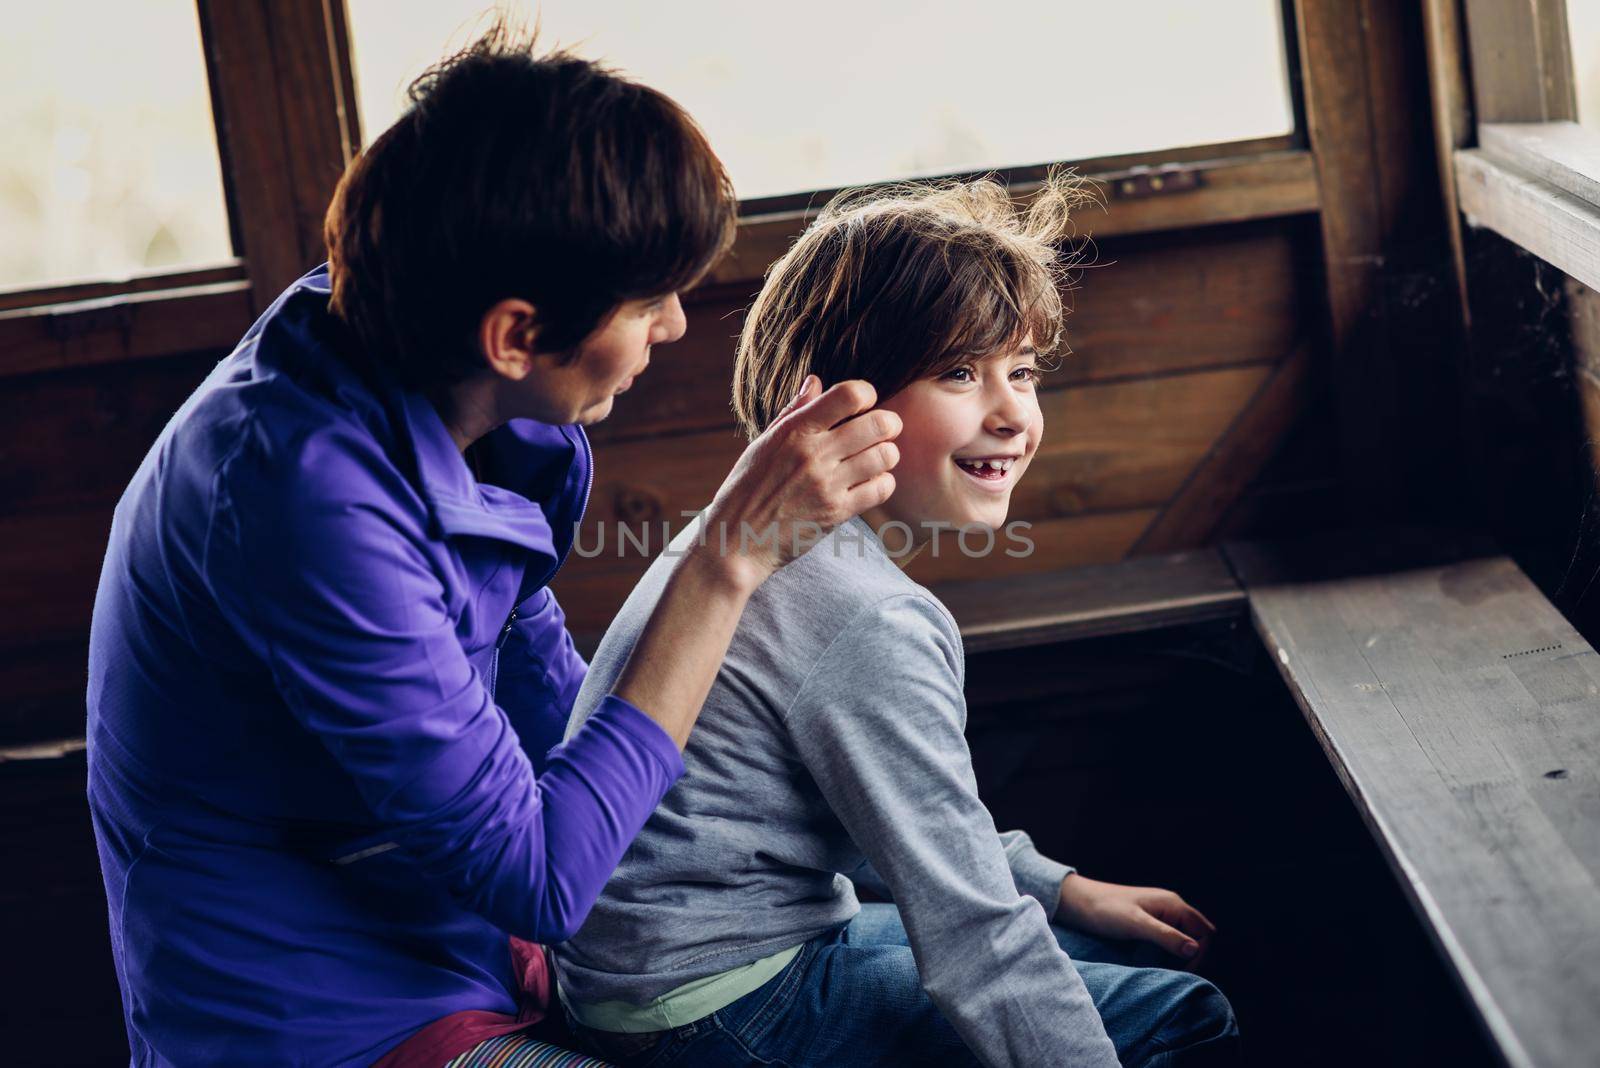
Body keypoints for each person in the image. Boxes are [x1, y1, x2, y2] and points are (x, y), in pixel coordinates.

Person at [84, 28, 901, 1067]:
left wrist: (1020, 881)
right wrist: (724, 558)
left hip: (461, 925)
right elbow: (543, 880)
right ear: (514, 335)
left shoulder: (461, 376)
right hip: (301, 1001)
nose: (677, 328)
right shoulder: (301, 498)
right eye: (648, 301)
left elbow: (547, 695)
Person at [554, 175, 1241, 1066]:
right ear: (838, 400)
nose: (1011, 415)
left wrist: (1061, 889)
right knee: (1182, 1013)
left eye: (1022, 372)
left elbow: (891, 819)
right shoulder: (868, 618)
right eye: (959, 372)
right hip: (715, 1004)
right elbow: (974, 940)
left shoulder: (740, 536)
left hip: (644, 978)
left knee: (1102, 951)